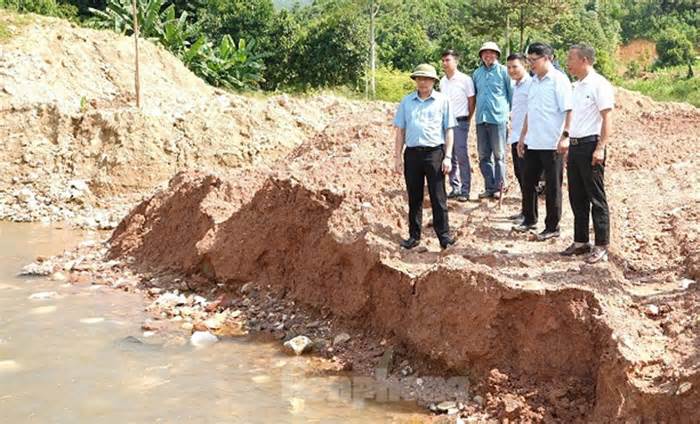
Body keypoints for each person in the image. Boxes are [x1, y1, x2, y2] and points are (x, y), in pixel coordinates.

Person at [393, 63, 457, 250]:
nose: (423, 82)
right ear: (415, 80)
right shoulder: (406, 102)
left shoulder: (442, 101)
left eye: (427, 79)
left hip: (434, 153)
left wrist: (448, 156)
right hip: (412, 154)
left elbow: (449, 130)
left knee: (438, 196)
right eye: (420, 78)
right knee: (414, 196)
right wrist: (397, 157)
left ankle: (444, 236)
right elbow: (400, 131)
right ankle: (414, 236)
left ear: (433, 81)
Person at [561, 43, 614, 264]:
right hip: (575, 146)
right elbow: (573, 117)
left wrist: (600, 147)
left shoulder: (599, 85)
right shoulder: (577, 86)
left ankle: (601, 245)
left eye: (571, 59)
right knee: (577, 196)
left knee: (596, 197)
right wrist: (566, 139)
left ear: (584, 60)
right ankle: (581, 241)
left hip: (591, 145)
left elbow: (607, 119)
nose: (568, 63)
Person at [514, 42, 572, 241]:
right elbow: (530, 112)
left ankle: (552, 226)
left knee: (553, 186)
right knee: (528, 181)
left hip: (552, 143)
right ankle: (529, 219)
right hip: (533, 142)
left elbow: (569, 110)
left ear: (547, 58)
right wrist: (522, 137)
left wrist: (565, 136)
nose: (531, 64)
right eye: (529, 60)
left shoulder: (558, 80)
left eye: (534, 60)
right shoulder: (533, 82)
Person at [472, 41, 512, 199]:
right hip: (481, 119)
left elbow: (512, 95)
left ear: (497, 55)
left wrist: (510, 116)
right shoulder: (476, 74)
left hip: (498, 119)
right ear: (481, 56)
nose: (488, 55)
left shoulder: (504, 72)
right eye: (485, 53)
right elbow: (474, 95)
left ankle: (500, 187)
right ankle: (489, 186)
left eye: (491, 53)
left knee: (499, 155)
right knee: (483, 156)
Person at [440, 49, 476, 202]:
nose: (445, 63)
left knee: (461, 155)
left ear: (456, 61)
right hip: (445, 123)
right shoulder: (442, 81)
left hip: (461, 121)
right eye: (443, 60)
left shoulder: (465, 79)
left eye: (448, 60)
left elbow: (471, 100)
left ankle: (465, 190)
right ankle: (455, 186)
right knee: (449, 155)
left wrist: (468, 118)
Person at [505, 53, 531, 223]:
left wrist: (524, 135)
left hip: (526, 138)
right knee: (520, 175)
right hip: (515, 136)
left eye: (515, 66)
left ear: (525, 66)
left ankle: (530, 215)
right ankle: (525, 210)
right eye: (508, 67)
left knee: (527, 178)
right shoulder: (516, 86)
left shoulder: (530, 85)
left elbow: (531, 112)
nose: (511, 70)